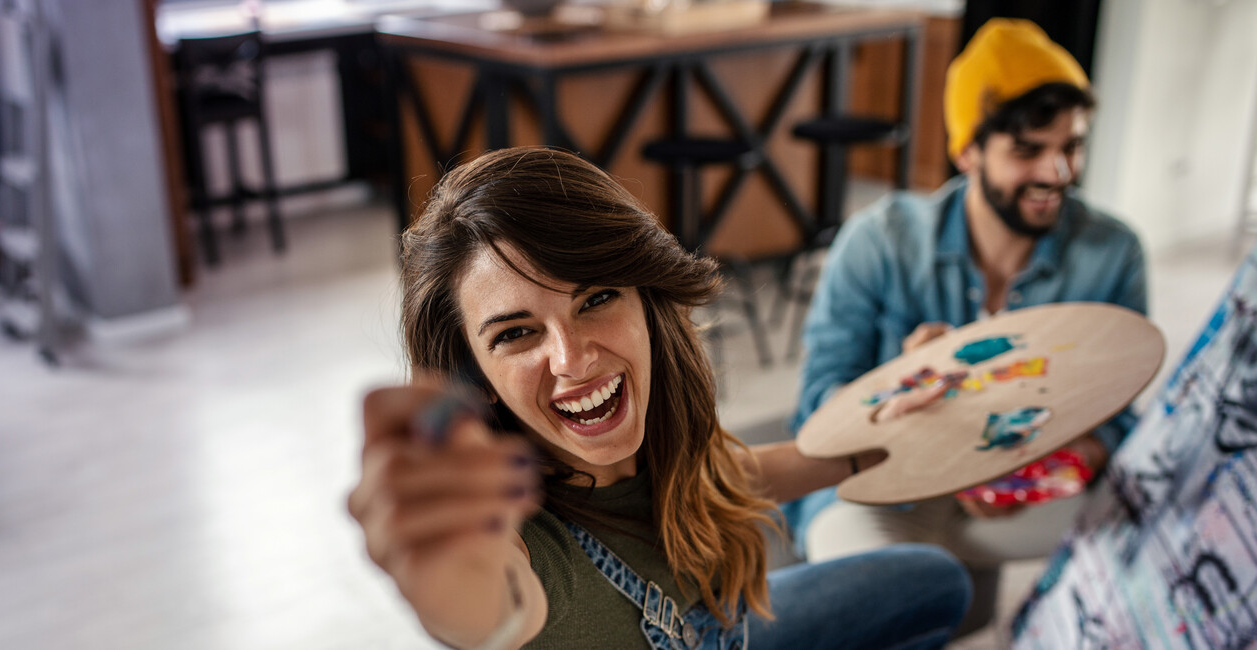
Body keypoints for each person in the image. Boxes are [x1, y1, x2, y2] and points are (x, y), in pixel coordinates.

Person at [348, 147, 971, 649]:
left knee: (937, 584)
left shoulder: (656, 433)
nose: (573, 359)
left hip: (712, 628)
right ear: (474, 377)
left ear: (645, 298)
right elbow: (488, 607)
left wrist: (876, 440)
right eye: (516, 334)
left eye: (595, 298)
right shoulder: (518, 538)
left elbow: (717, 480)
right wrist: (441, 561)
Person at [783, 18, 1148, 635]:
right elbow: (817, 406)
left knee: (1154, 546)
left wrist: (1049, 459)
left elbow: (1118, 419)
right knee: (876, 608)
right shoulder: (881, 241)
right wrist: (897, 386)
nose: (1058, 173)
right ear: (967, 150)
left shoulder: (1112, 252)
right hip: (883, 486)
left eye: (1072, 146)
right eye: (1028, 150)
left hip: (1028, 491)